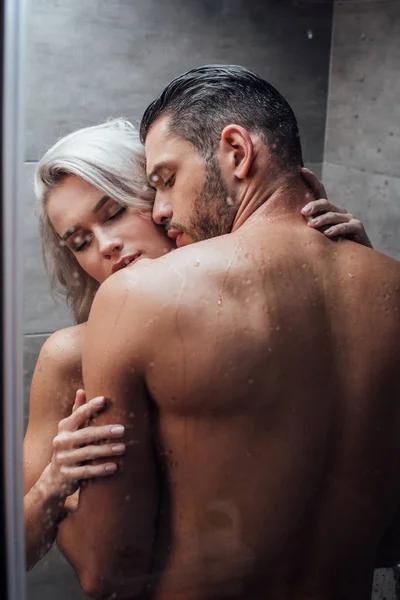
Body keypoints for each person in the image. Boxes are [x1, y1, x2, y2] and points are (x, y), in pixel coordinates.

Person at [50, 66, 400, 600]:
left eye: (163, 180)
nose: (163, 210)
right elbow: (384, 539)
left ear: (236, 152)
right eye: (78, 241)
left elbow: (108, 572)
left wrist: (60, 494)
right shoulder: (386, 284)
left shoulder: (135, 299)